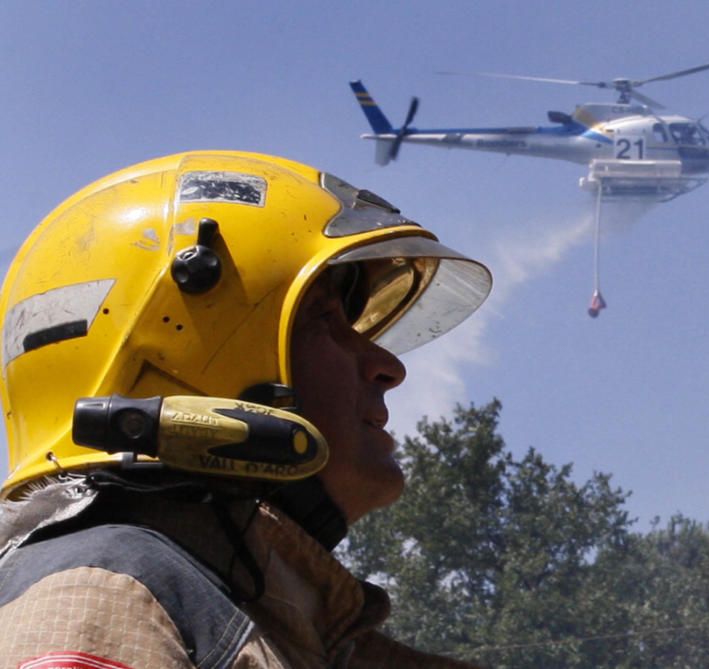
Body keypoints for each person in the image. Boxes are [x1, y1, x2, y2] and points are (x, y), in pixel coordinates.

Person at [0, 151, 492, 668]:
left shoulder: (268, 617)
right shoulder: (102, 595)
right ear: (191, 358)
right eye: (324, 320)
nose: (388, 367)